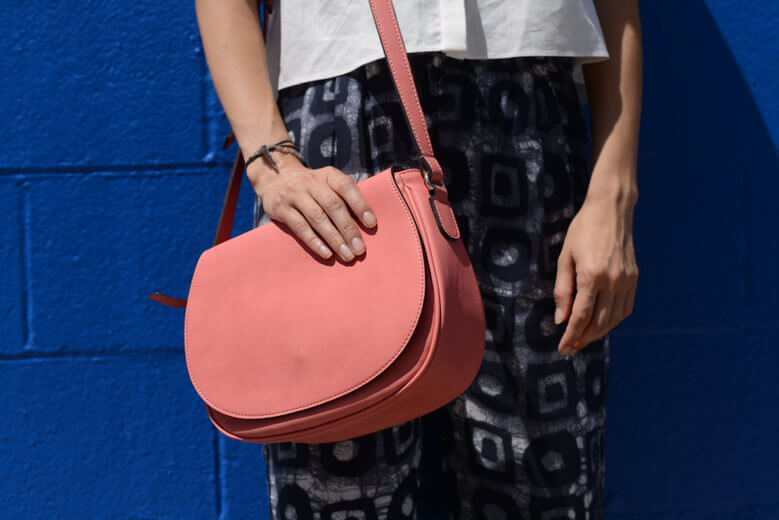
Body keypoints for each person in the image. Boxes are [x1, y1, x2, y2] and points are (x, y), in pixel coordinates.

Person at [194, 0, 641, 518]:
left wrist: (614, 191)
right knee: (336, 490)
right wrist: (272, 161)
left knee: (544, 483)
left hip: (529, 124)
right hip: (343, 116)